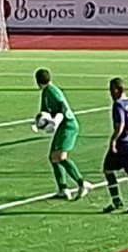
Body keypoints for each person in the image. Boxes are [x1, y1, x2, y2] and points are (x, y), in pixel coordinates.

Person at [36, 68, 93, 200]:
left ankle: (82, 183)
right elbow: (44, 112)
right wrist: (40, 123)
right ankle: (63, 189)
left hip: (68, 126)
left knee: (60, 157)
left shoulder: (52, 91)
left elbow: (62, 107)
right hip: (62, 127)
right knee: (53, 157)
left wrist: (55, 121)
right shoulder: (45, 92)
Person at [102, 77, 128, 214]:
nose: (110, 93)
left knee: (108, 169)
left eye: (112, 89)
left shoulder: (118, 104)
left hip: (123, 143)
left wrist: (113, 140)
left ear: (118, 90)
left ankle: (116, 201)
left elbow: (120, 125)